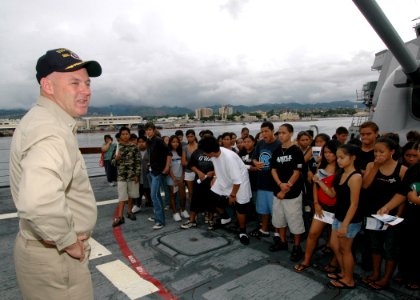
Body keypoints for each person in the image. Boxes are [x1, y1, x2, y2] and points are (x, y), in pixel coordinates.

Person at [10, 48, 101, 299]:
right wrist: (68, 240)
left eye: (87, 82)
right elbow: (38, 200)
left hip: (44, 254)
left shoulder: (41, 120)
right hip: (57, 261)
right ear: (47, 85)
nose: (86, 90)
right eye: (74, 83)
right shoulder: (51, 131)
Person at [361, 137, 406, 290]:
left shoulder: (402, 169)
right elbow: (365, 186)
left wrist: (398, 217)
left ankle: (386, 277)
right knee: (375, 245)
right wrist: (375, 167)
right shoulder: (370, 165)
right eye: (375, 151)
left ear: (392, 152)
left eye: (382, 151)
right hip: (373, 213)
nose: (377, 154)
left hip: (392, 215)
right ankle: (375, 273)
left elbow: (402, 196)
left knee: (390, 248)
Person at [377, 140, 420, 290]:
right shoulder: (414, 169)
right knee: (408, 247)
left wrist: (416, 200)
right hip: (412, 218)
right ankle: (407, 273)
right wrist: (387, 207)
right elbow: (402, 192)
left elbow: (411, 196)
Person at [294, 140, 340, 273]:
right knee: (313, 233)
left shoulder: (341, 170)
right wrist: (316, 203)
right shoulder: (321, 167)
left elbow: (332, 193)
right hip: (322, 207)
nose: (327, 155)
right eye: (325, 152)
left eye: (331, 152)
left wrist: (319, 181)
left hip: (337, 208)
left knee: (334, 241)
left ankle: (334, 262)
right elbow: (315, 186)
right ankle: (307, 260)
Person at [199, 136, 252, 245]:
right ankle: (225, 217)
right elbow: (217, 166)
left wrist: (232, 195)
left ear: (211, 151)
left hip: (239, 183)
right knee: (212, 197)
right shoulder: (214, 154)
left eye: (205, 152)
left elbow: (237, 181)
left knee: (240, 207)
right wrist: (215, 178)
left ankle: (243, 231)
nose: (204, 154)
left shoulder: (229, 158)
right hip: (223, 179)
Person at [327, 144, 362, 289]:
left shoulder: (356, 177)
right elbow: (333, 194)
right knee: (335, 245)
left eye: (342, 157)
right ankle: (344, 272)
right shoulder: (341, 173)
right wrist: (319, 183)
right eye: (338, 157)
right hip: (339, 216)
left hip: (349, 220)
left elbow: (354, 204)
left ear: (353, 158)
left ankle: (349, 279)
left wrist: (345, 225)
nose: (339, 160)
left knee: (345, 250)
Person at [270, 124, 305, 261]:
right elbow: (273, 169)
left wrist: (286, 187)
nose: (280, 135)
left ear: (290, 133)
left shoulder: (296, 151)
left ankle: (297, 247)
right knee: (279, 220)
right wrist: (279, 184)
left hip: (292, 194)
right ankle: (283, 242)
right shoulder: (277, 151)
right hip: (277, 191)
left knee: (295, 221)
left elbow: (297, 172)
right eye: (279, 133)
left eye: (284, 133)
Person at [250, 121, 280, 239]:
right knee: (264, 209)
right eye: (262, 132)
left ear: (272, 131)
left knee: (276, 211)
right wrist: (256, 163)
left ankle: (278, 234)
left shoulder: (279, 144)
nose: (264, 134)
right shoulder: (260, 143)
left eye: (266, 131)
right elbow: (254, 158)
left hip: (273, 184)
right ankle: (264, 229)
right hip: (261, 182)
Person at [112, 127, 141, 227]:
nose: (125, 136)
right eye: (123, 134)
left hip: (132, 175)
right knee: (122, 196)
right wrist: (116, 158)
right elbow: (112, 163)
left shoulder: (134, 147)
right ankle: (120, 217)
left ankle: (129, 212)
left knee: (130, 195)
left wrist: (137, 174)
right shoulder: (117, 147)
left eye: (127, 134)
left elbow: (138, 161)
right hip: (121, 176)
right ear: (120, 136)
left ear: (129, 135)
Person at [145, 122, 170, 230]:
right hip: (151, 171)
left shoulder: (158, 141)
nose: (148, 131)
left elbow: (169, 154)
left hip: (157, 172)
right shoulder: (149, 141)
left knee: (154, 195)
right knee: (157, 195)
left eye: (150, 129)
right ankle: (158, 217)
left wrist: (166, 168)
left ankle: (160, 221)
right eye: (147, 130)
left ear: (154, 130)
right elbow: (154, 155)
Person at [167, 135, 189, 221]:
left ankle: (183, 210)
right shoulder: (168, 153)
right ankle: (175, 212)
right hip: (171, 177)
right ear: (170, 143)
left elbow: (184, 166)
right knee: (173, 195)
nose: (175, 143)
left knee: (182, 196)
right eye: (173, 142)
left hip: (181, 177)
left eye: (177, 142)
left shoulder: (181, 152)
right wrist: (174, 178)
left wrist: (183, 177)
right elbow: (168, 167)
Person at [132, 135, 152, 213]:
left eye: (143, 142)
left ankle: (151, 202)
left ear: (146, 142)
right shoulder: (135, 151)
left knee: (149, 189)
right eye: (139, 142)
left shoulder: (150, 151)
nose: (141, 144)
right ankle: (137, 205)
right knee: (138, 190)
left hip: (148, 175)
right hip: (138, 175)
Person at [182, 129, 198, 209]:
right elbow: (183, 162)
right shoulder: (185, 148)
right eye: (188, 137)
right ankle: (193, 209)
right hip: (189, 172)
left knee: (198, 192)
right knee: (191, 192)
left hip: (199, 172)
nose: (190, 138)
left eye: (191, 136)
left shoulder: (199, 146)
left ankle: (200, 209)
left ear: (195, 136)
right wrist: (194, 166)